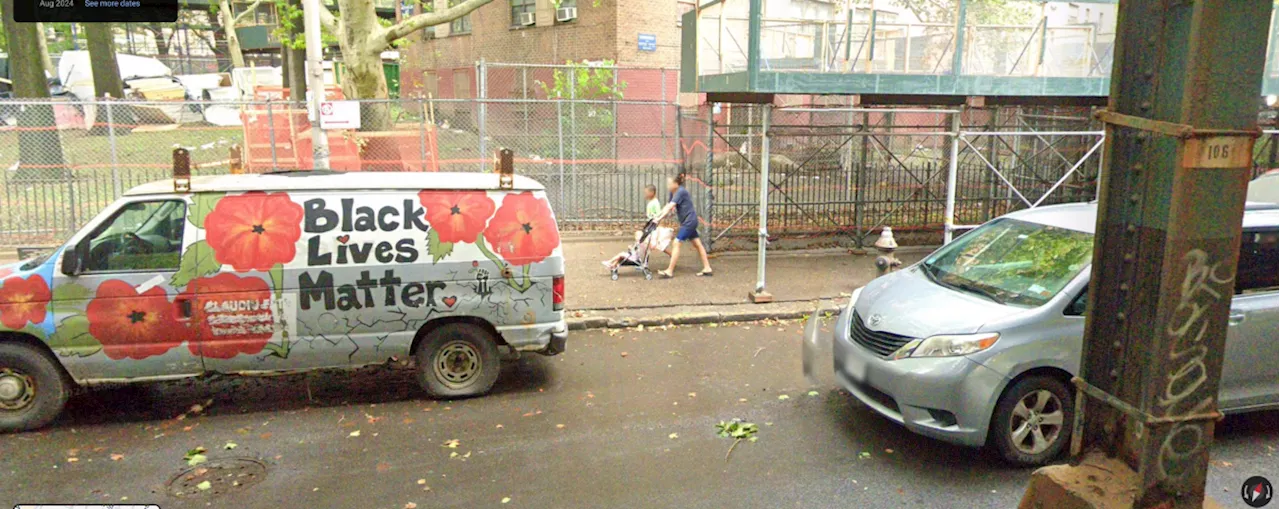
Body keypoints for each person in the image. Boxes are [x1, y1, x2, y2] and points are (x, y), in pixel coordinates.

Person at [656, 174, 712, 278]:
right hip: (688, 221)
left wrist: (659, 219)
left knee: (676, 242)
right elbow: (668, 206)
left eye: (669, 183)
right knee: (697, 244)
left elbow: (671, 206)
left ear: (676, 184)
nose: (667, 185)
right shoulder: (672, 192)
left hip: (689, 221)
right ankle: (707, 268)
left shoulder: (680, 191)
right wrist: (658, 216)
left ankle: (669, 271)